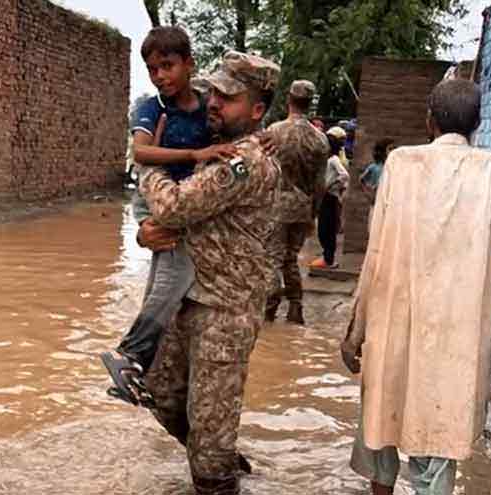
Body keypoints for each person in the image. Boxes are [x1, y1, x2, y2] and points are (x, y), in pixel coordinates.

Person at [341, 79, 491, 495]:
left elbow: (376, 254)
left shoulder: (400, 163)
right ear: (477, 123)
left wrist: (355, 332)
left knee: (381, 428)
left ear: (429, 120)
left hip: (392, 325)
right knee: (437, 448)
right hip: (455, 339)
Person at [137, 51, 281, 495]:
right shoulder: (216, 143)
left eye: (229, 98)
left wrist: (148, 166)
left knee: (210, 446)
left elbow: (174, 206)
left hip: (225, 313)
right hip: (189, 299)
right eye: (214, 92)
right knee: (160, 395)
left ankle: (218, 473)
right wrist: (145, 233)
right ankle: (226, 463)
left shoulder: (243, 161)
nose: (214, 102)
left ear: (256, 111)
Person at [100, 26, 237, 406]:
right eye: (152, 69)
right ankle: (130, 354)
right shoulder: (153, 107)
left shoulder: (208, 103)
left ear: (189, 63)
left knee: (165, 281)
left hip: (189, 205)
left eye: (167, 66)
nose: (160, 75)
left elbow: (236, 124)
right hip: (161, 202)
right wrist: (193, 155)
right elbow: (141, 153)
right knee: (176, 272)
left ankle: (137, 371)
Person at [264, 80, 329, 325]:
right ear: (310, 104)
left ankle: (269, 309)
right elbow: (321, 183)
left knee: (272, 259)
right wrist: (314, 211)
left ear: (288, 100)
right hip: (303, 206)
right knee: (291, 258)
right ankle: (295, 306)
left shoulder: (274, 131)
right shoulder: (320, 139)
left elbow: (263, 172)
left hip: (276, 205)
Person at [310, 127, 350, 269]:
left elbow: (344, 175)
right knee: (323, 228)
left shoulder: (333, 160)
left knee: (327, 228)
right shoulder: (328, 159)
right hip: (325, 196)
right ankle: (326, 256)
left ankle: (329, 259)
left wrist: (331, 185)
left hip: (330, 196)